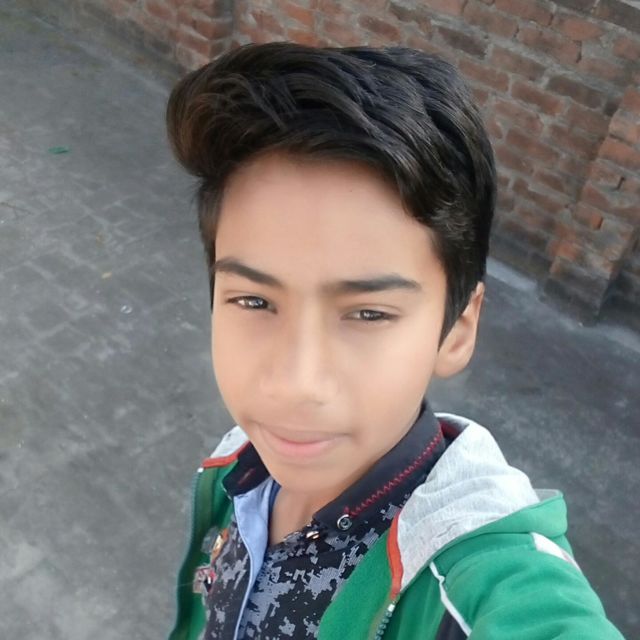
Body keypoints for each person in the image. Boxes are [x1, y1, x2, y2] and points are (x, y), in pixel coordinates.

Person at [164, 42, 624, 640]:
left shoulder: (475, 587)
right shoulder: (237, 468)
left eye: (368, 314)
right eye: (254, 302)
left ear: (457, 329)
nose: (295, 384)